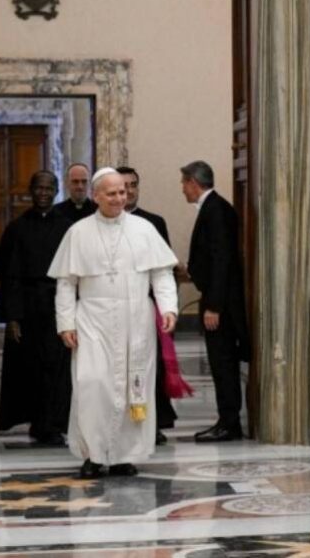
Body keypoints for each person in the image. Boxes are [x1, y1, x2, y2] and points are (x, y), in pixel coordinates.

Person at [49, 168, 178, 478]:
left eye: (123, 191)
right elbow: (66, 283)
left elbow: (161, 273)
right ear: (97, 196)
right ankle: (93, 455)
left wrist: (169, 307)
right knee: (92, 384)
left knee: (132, 386)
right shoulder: (78, 232)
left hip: (136, 320)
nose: (120, 197)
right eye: (112, 193)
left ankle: (123, 456)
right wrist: (65, 322)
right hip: (93, 321)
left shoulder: (144, 229)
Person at [0, 170, 73, 446]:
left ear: (55, 191)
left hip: (57, 305)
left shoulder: (67, 228)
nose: (43, 193)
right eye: (38, 188)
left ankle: (52, 424)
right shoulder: (16, 228)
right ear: (31, 190)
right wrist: (12, 317)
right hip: (27, 308)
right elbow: (9, 276)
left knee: (56, 367)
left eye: (48, 188)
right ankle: (35, 422)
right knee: (30, 369)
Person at [181, 161, 250, 442]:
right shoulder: (213, 208)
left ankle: (229, 423)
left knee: (223, 364)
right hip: (216, 299)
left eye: (184, 184)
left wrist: (214, 306)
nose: (182, 190)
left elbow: (223, 261)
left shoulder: (216, 211)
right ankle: (226, 419)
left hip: (220, 305)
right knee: (220, 363)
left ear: (194, 183)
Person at [117, 166, 180, 446]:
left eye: (133, 185)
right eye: (123, 185)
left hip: (146, 309)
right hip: (111, 313)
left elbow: (164, 271)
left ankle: (151, 423)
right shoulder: (95, 223)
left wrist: (166, 308)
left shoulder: (154, 222)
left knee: (149, 370)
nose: (128, 191)